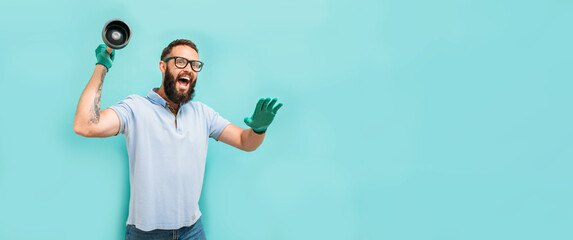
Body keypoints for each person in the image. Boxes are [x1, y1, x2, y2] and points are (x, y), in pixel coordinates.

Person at [73, 39, 282, 240]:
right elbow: (85, 125)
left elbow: (245, 142)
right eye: (180, 62)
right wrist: (102, 66)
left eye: (194, 65)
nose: (188, 69)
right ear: (163, 66)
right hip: (146, 234)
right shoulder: (135, 108)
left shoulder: (203, 113)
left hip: (192, 230)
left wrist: (259, 129)